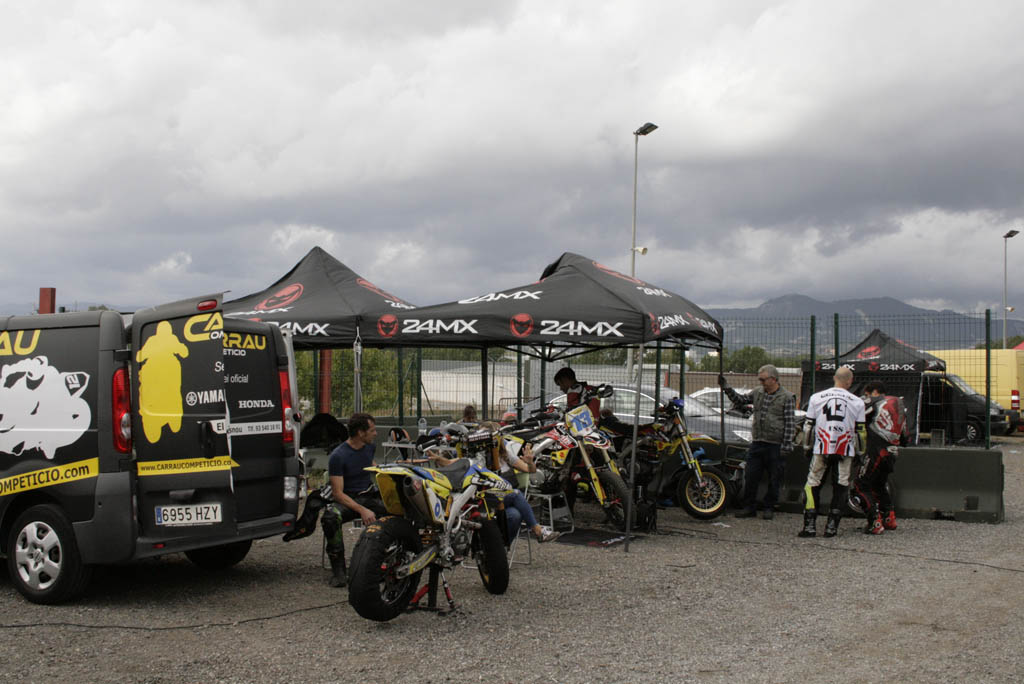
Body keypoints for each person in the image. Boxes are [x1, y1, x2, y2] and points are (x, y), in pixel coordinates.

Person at [427, 422, 561, 543]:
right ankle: (538, 531)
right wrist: (438, 458)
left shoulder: (505, 455)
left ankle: (502, 548)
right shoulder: (475, 455)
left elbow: (530, 470)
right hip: (484, 500)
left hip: (501, 499)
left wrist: (530, 461)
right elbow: (451, 463)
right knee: (515, 494)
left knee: (515, 515)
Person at [719, 365, 796, 520]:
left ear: (773, 379)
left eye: (763, 379)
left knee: (775, 478)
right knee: (751, 476)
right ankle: (749, 507)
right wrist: (727, 388)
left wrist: (786, 445)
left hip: (776, 444)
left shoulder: (787, 397)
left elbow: (790, 423)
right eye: (760, 379)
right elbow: (740, 400)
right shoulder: (758, 392)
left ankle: (769, 507)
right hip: (758, 442)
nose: (761, 382)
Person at [798, 367, 866, 538]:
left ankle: (809, 526)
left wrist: (806, 448)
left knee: (812, 484)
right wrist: (861, 452)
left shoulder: (816, 397)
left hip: (822, 447)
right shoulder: (858, 402)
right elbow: (861, 432)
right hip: (845, 449)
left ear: (834, 378)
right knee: (841, 486)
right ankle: (831, 527)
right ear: (850, 381)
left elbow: (808, 427)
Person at [321, 412, 387, 587]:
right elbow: (338, 494)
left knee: (394, 510)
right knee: (330, 517)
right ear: (360, 433)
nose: (375, 434)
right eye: (372, 430)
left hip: (368, 495)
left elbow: (368, 464)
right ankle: (339, 572)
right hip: (348, 500)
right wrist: (362, 510)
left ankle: (383, 564)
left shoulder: (370, 447)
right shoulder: (338, 456)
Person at [851, 381, 907, 534]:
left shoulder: (875, 402)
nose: (866, 397)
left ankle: (874, 522)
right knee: (878, 485)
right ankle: (889, 519)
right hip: (892, 452)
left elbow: (857, 421)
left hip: (876, 451)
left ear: (874, 392)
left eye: (867, 394)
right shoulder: (900, 405)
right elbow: (905, 438)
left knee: (860, 486)